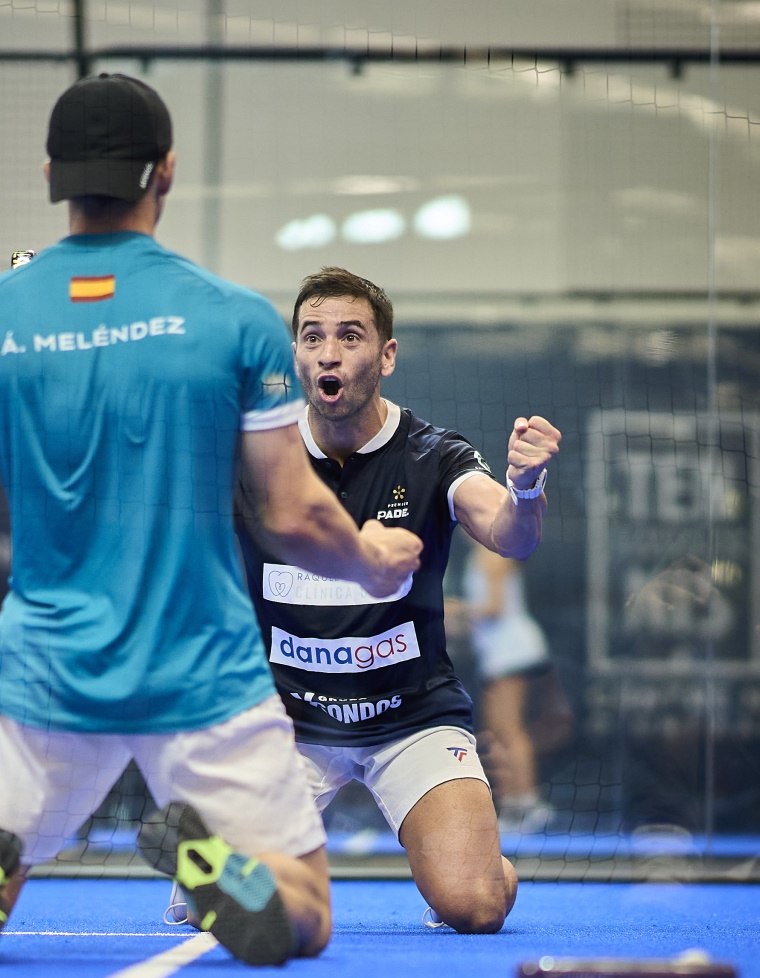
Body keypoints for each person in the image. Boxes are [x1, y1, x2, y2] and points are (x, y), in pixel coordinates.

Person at [0, 79, 421, 967]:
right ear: (167, 172)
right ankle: (209, 859)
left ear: (51, 174)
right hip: (203, 674)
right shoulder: (233, 319)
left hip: (45, 676)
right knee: (305, 916)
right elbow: (291, 512)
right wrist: (372, 559)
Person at [236, 267, 561, 933]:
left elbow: (508, 532)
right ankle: (230, 856)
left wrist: (525, 488)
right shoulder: (256, 455)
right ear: (295, 353)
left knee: (475, 904)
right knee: (241, 900)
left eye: (350, 336)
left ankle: (479, 860)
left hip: (408, 715)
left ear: (386, 354)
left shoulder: (433, 455)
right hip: (288, 719)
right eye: (312, 337)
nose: (329, 352)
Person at [462, 540, 574, 833]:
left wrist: (453, 611)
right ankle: (514, 806)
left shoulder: (491, 554)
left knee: (509, 730)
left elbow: (494, 608)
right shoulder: (482, 555)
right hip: (499, 652)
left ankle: (528, 805)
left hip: (511, 649)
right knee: (500, 731)